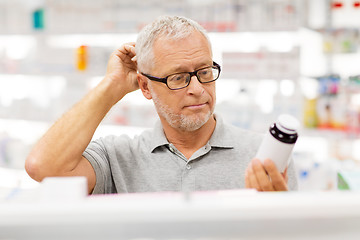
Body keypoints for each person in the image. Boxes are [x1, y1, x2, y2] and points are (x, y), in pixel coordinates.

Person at [25, 16, 297, 194]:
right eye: (178, 77)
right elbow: (42, 167)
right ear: (145, 86)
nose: (197, 89)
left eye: (204, 71)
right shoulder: (118, 158)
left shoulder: (263, 156)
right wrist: (112, 85)